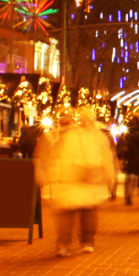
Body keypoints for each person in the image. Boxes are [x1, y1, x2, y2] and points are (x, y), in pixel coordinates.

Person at [37, 106, 112, 257]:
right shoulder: (72, 135)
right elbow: (60, 156)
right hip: (72, 180)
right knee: (69, 214)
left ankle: (85, 241)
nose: (85, 122)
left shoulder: (95, 137)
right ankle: (67, 243)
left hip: (87, 180)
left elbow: (106, 156)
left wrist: (108, 174)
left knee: (87, 212)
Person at [119, 116, 139, 206]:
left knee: (128, 180)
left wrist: (121, 156)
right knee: (133, 180)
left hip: (128, 160)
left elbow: (120, 146)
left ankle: (127, 197)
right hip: (136, 160)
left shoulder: (125, 135)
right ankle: (130, 196)